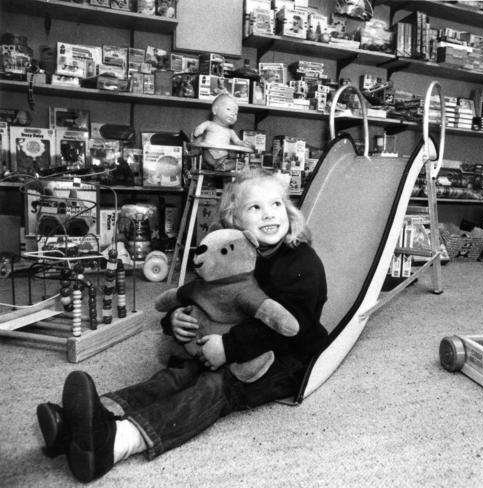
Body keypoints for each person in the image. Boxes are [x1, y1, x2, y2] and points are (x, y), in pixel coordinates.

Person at [36, 169, 329, 483]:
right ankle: (83, 424)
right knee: (177, 374)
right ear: (234, 219)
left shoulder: (301, 261)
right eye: (254, 208)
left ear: (289, 210)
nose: (269, 213)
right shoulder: (228, 251)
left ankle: (116, 442)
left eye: (276, 204)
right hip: (223, 342)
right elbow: (197, 295)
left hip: (284, 358)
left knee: (215, 386)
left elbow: (292, 324)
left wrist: (228, 348)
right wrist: (174, 321)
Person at [192, 93, 253, 169]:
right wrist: (199, 130)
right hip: (209, 154)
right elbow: (199, 129)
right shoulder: (209, 124)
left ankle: (222, 166)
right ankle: (216, 165)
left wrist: (243, 143)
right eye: (228, 109)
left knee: (237, 162)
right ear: (215, 110)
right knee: (205, 152)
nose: (232, 114)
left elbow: (238, 142)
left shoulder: (231, 132)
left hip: (223, 157)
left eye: (235, 113)